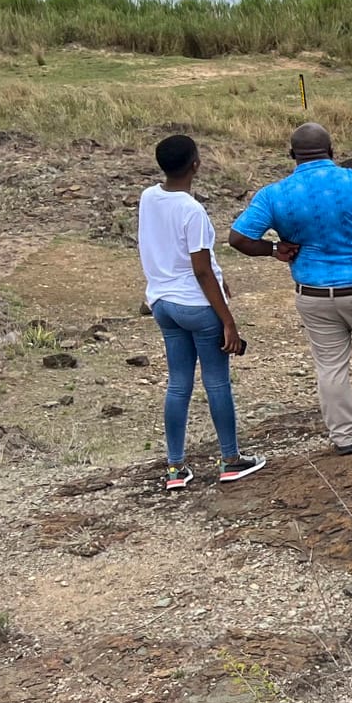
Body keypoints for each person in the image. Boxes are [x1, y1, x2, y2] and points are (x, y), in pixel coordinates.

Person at [229, 123, 352, 456]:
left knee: (331, 366)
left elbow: (238, 238)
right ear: (332, 151)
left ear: (291, 155)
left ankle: (345, 438)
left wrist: (274, 250)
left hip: (315, 294)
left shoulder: (274, 194)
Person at [140, 135, 263, 489]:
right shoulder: (192, 210)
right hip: (195, 305)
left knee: (179, 384)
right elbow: (200, 269)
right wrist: (228, 320)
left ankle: (175, 469)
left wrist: (216, 278)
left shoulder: (149, 197)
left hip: (162, 303)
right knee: (216, 382)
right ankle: (230, 459)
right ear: (196, 164)